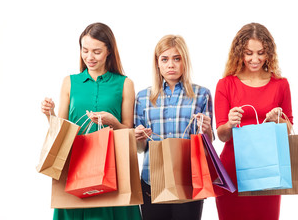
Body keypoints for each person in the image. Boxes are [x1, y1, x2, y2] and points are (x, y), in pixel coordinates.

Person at [40, 22, 141, 220]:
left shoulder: (125, 84)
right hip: (76, 164)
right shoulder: (69, 82)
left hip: (112, 167)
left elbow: (128, 132)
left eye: (96, 51)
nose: (89, 57)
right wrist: (49, 114)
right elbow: (62, 130)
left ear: (109, 51)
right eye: (85, 50)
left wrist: (113, 121)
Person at [214, 22, 293, 220]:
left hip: (269, 171)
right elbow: (222, 135)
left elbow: (289, 129)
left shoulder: (280, 85)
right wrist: (230, 123)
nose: (255, 59)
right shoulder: (226, 84)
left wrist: (278, 119)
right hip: (232, 171)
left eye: (261, 53)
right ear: (239, 52)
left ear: (269, 53)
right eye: (249, 53)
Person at [134, 34, 213, 220]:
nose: (171, 64)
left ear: (184, 61)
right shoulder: (143, 97)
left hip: (189, 180)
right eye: (165, 59)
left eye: (177, 58)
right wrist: (139, 137)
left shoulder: (202, 95)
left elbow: (206, 148)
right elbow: (139, 149)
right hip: (152, 180)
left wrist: (207, 130)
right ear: (157, 63)